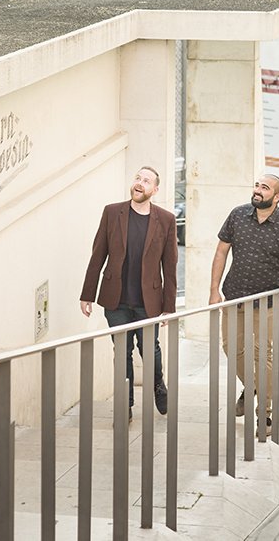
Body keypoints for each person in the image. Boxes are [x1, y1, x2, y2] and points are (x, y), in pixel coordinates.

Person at [210, 174, 279, 438]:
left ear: (276, 197)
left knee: (264, 356)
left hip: (266, 304)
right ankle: (251, 386)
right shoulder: (238, 215)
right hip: (234, 298)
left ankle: (265, 414)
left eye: (264, 188)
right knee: (231, 349)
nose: (257, 191)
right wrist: (214, 290)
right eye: (256, 185)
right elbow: (221, 251)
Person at [79, 165, 178, 419]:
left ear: (154, 190)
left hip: (149, 300)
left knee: (150, 349)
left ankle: (157, 383)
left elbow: (170, 264)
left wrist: (169, 306)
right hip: (116, 300)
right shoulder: (112, 213)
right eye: (137, 178)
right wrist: (87, 294)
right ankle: (126, 404)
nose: (139, 183)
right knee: (122, 352)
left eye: (146, 181)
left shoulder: (166, 220)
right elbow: (98, 253)